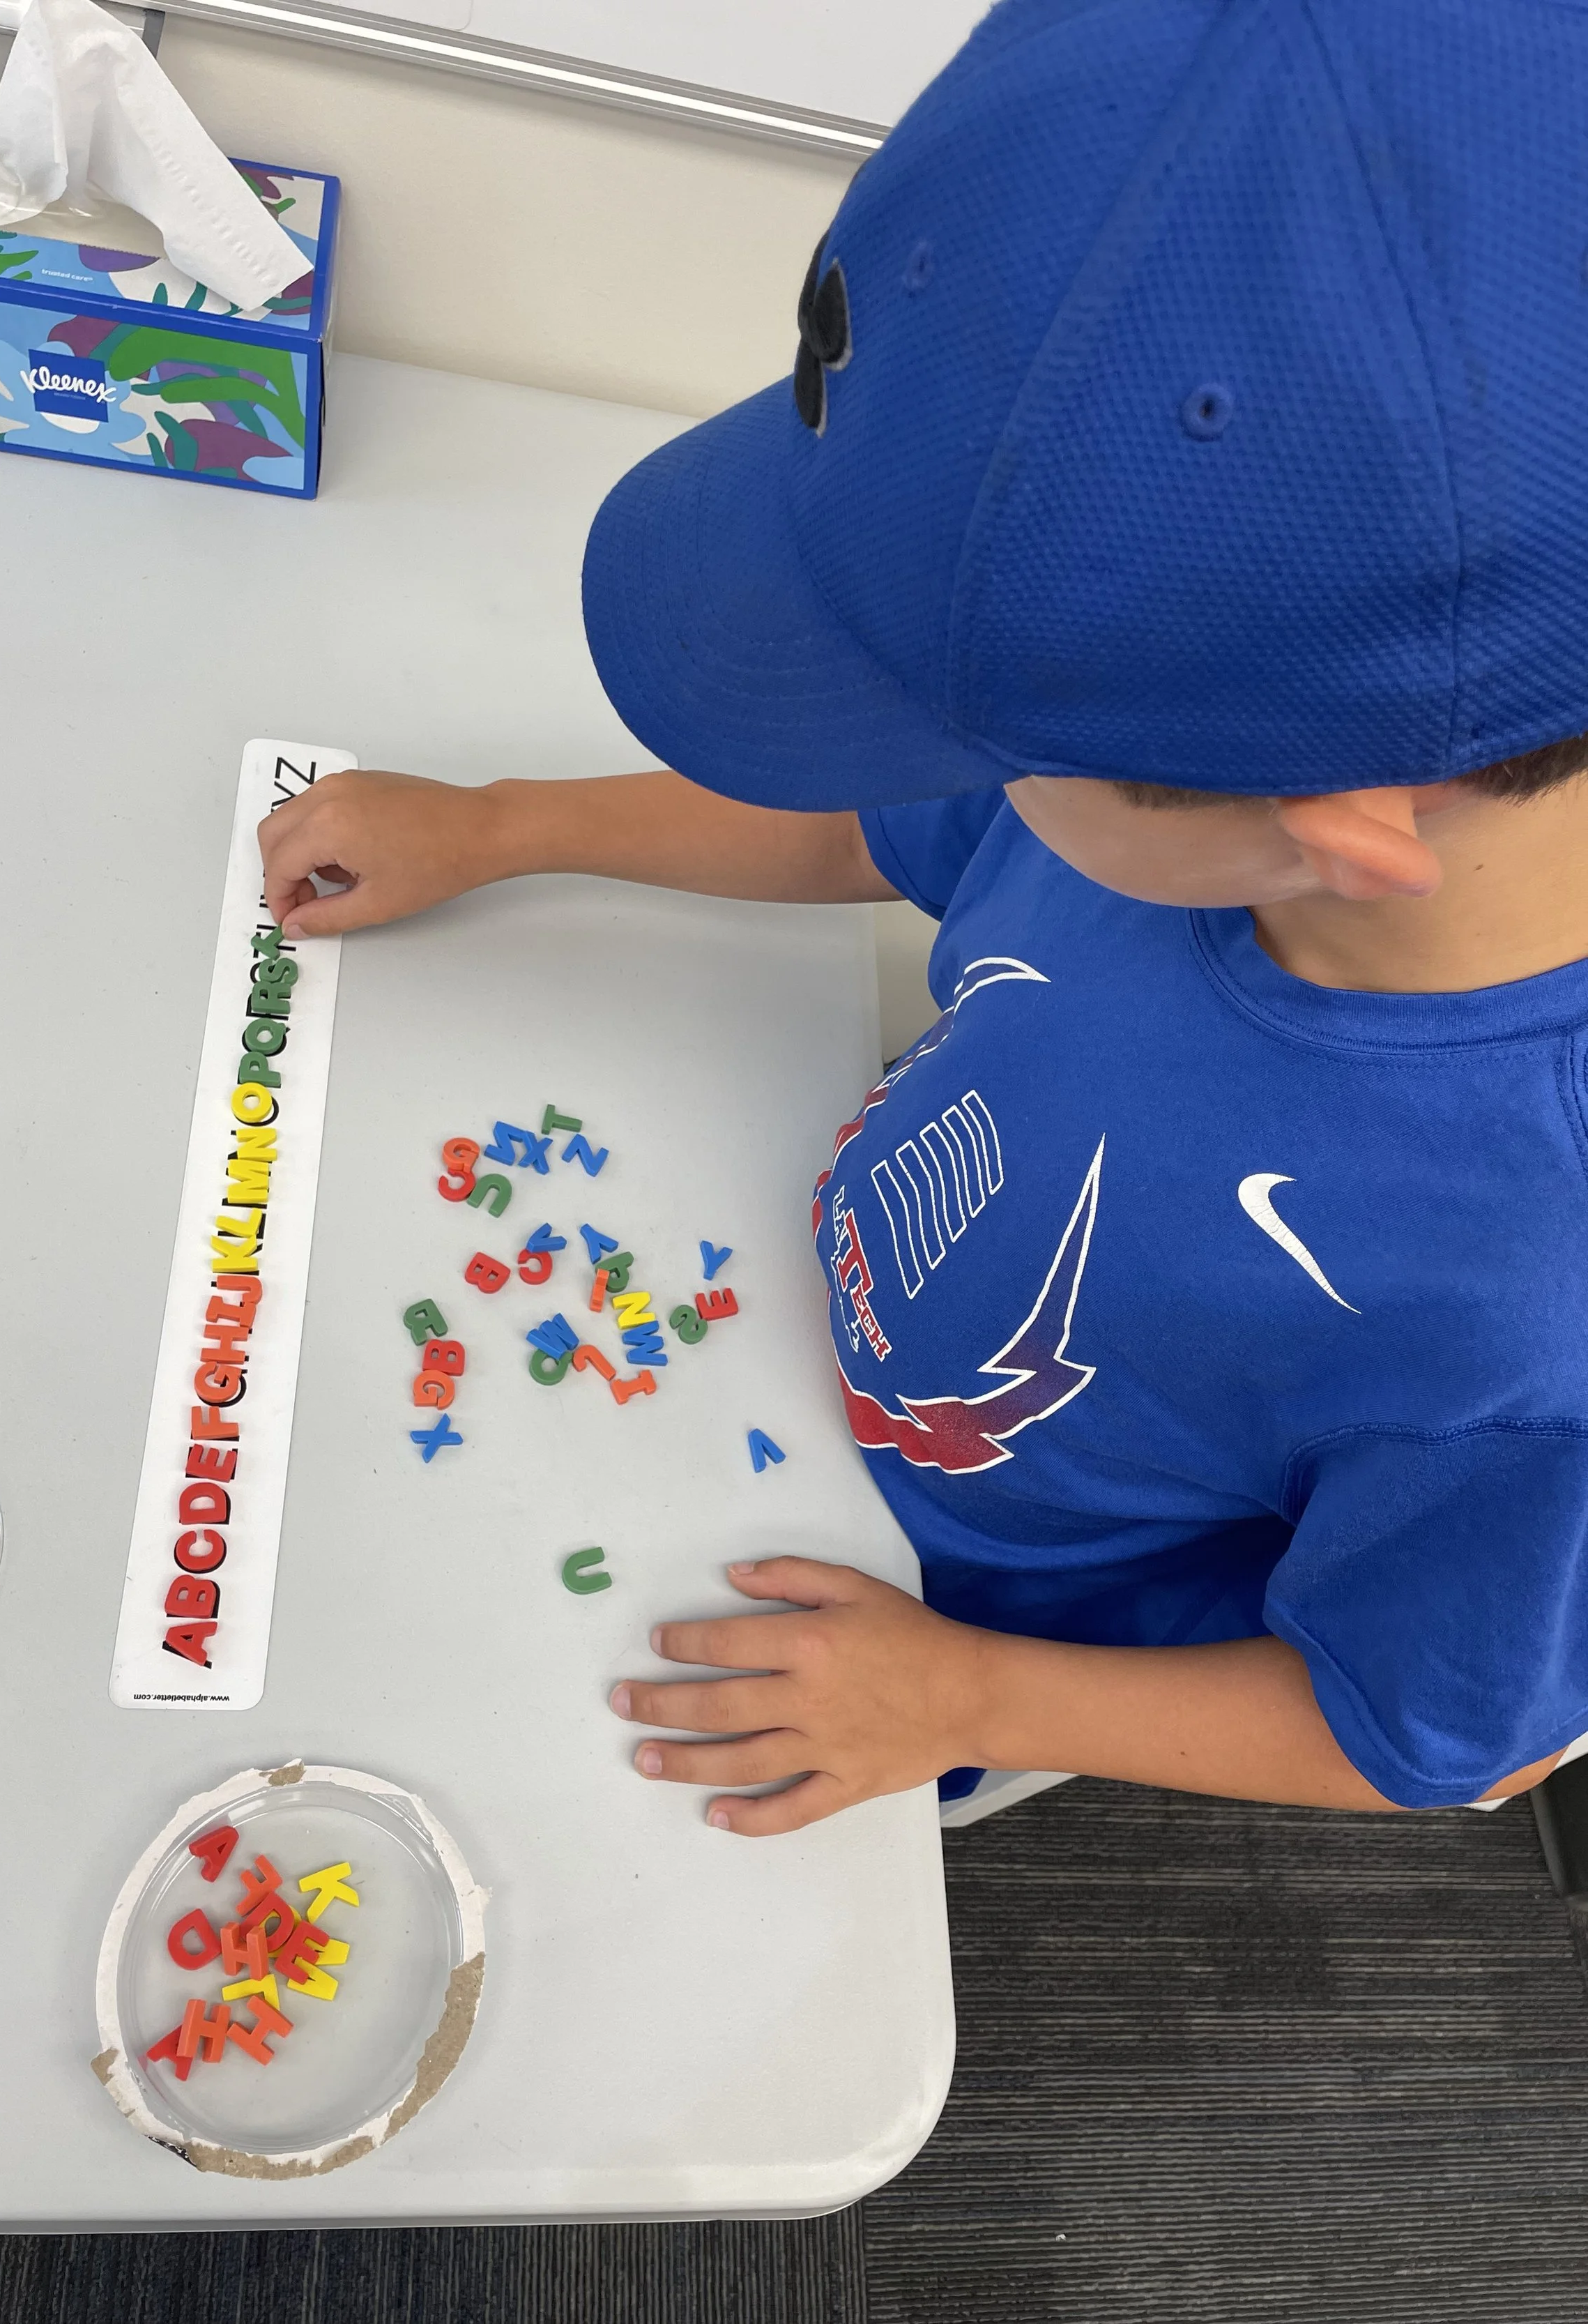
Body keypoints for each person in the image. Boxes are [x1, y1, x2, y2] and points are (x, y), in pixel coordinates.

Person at [261, 0, 1588, 1838]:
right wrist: (505, 824)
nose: (944, 763)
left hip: (946, 1626)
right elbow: (875, 826)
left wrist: (956, 1694)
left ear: (1326, 826)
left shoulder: (1527, 1317)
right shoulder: (1187, 734)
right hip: (783, 1328)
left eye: (976, 724)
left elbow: (1433, 1729)